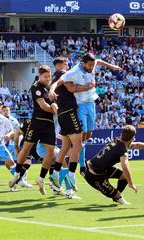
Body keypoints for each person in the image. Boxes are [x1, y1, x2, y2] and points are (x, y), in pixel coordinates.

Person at [52, 53, 122, 182]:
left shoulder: (92, 64)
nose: (92, 67)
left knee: (88, 135)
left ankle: (74, 157)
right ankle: (77, 165)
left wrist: (113, 66)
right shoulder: (74, 71)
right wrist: (51, 90)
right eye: (89, 65)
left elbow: (99, 61)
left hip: (91, 104)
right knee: (79, 140)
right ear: (83, 63)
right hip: (80, 106)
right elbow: (60, 81)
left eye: (92, 64)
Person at [84, 125, 144, 205]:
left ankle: (117, 195)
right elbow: (125, 166)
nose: (134, 139)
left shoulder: (117, 140)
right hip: (94, 176)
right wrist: (131, 183)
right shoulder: (122, 150)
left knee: (124, 176)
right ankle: (117, 196)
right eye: (133, 137)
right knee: (121, 185)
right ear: (131, 138)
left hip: (101, 169)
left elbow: (137, 145)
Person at [9, 65, 58, 195]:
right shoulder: (36, 86)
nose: (48, 79)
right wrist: (54, 108)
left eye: (49, 76)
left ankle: (41, 178)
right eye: (45, 76)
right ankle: (17, 174)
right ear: (39, 75)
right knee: (26, 148)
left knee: (51, 151)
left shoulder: (50, 87)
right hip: (37, 122)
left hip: (49, 124)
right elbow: (43, 106)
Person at [48, 57, 93, 192]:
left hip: (62, 113)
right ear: (61, 65)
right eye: (66, 63)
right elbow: (71, 87)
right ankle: (71, 175)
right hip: (69, 111)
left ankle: (55, 174)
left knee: (66, 146)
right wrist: (88, 86)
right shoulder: (63, 74)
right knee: (78, 145)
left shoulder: (54, 77)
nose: (68, 66)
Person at [1, 105, 33, 189]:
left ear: (9, 111)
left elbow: (18, 133)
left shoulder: (13, 120)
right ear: (1, 112)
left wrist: (11, 137)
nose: (5, 112)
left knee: (23, 161)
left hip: (17, 143)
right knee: (7, 164)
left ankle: (20, 179)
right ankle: (20, 177)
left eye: (7, 110)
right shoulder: (0, 120)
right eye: (4, 110)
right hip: (9, 144)